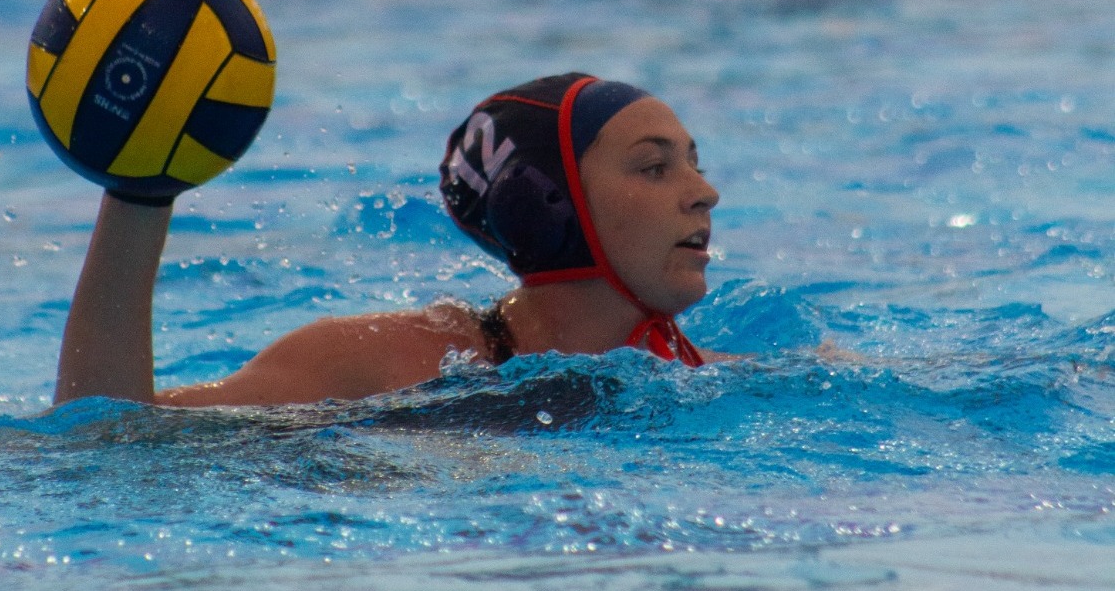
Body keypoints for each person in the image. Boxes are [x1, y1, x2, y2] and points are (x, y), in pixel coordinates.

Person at [53, 72, 724, 407]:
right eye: (653, 167)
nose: (703, 192)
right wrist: (139, 198)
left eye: (694, 163)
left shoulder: (709, 377)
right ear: (544, 206)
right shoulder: (383, 364)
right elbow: (112, 436)